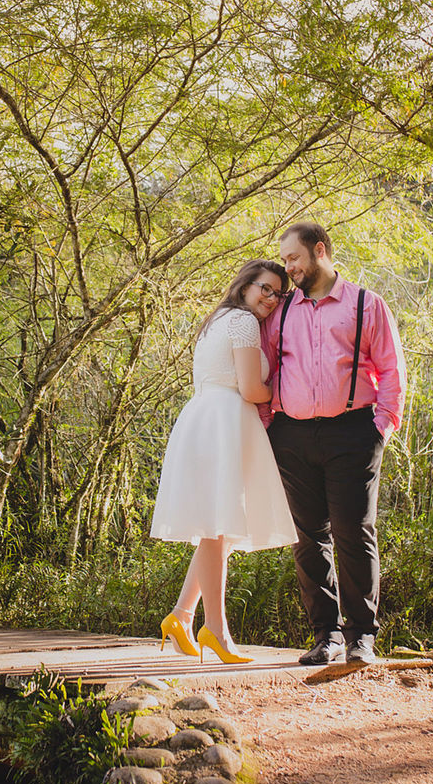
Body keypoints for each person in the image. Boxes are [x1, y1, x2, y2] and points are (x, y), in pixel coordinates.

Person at [263, 222, 406, 666]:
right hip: (292, 435)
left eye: (293, 258)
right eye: (285, 260)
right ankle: (327, 636)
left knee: (354, 533)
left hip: (353, 433)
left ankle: (362, 637)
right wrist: (270, 426)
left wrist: (380, 428)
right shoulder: (281, 311)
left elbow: (392, 370)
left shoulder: (367, 304)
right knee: (308, 539)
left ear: (319, 251)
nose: (288, 267)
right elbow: (265, 368)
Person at [149, 259, 298, 663]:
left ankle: (181, 616)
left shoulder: (218, 319)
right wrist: (292, 390)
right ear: (245, 284)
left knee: (219, 531)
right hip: (224, 422)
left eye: (278, 293)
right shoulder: (243, 322)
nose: (270, 299)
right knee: (218, 530)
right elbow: (251, 388)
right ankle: (216, 630)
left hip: (206, 418)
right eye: (264, 288)